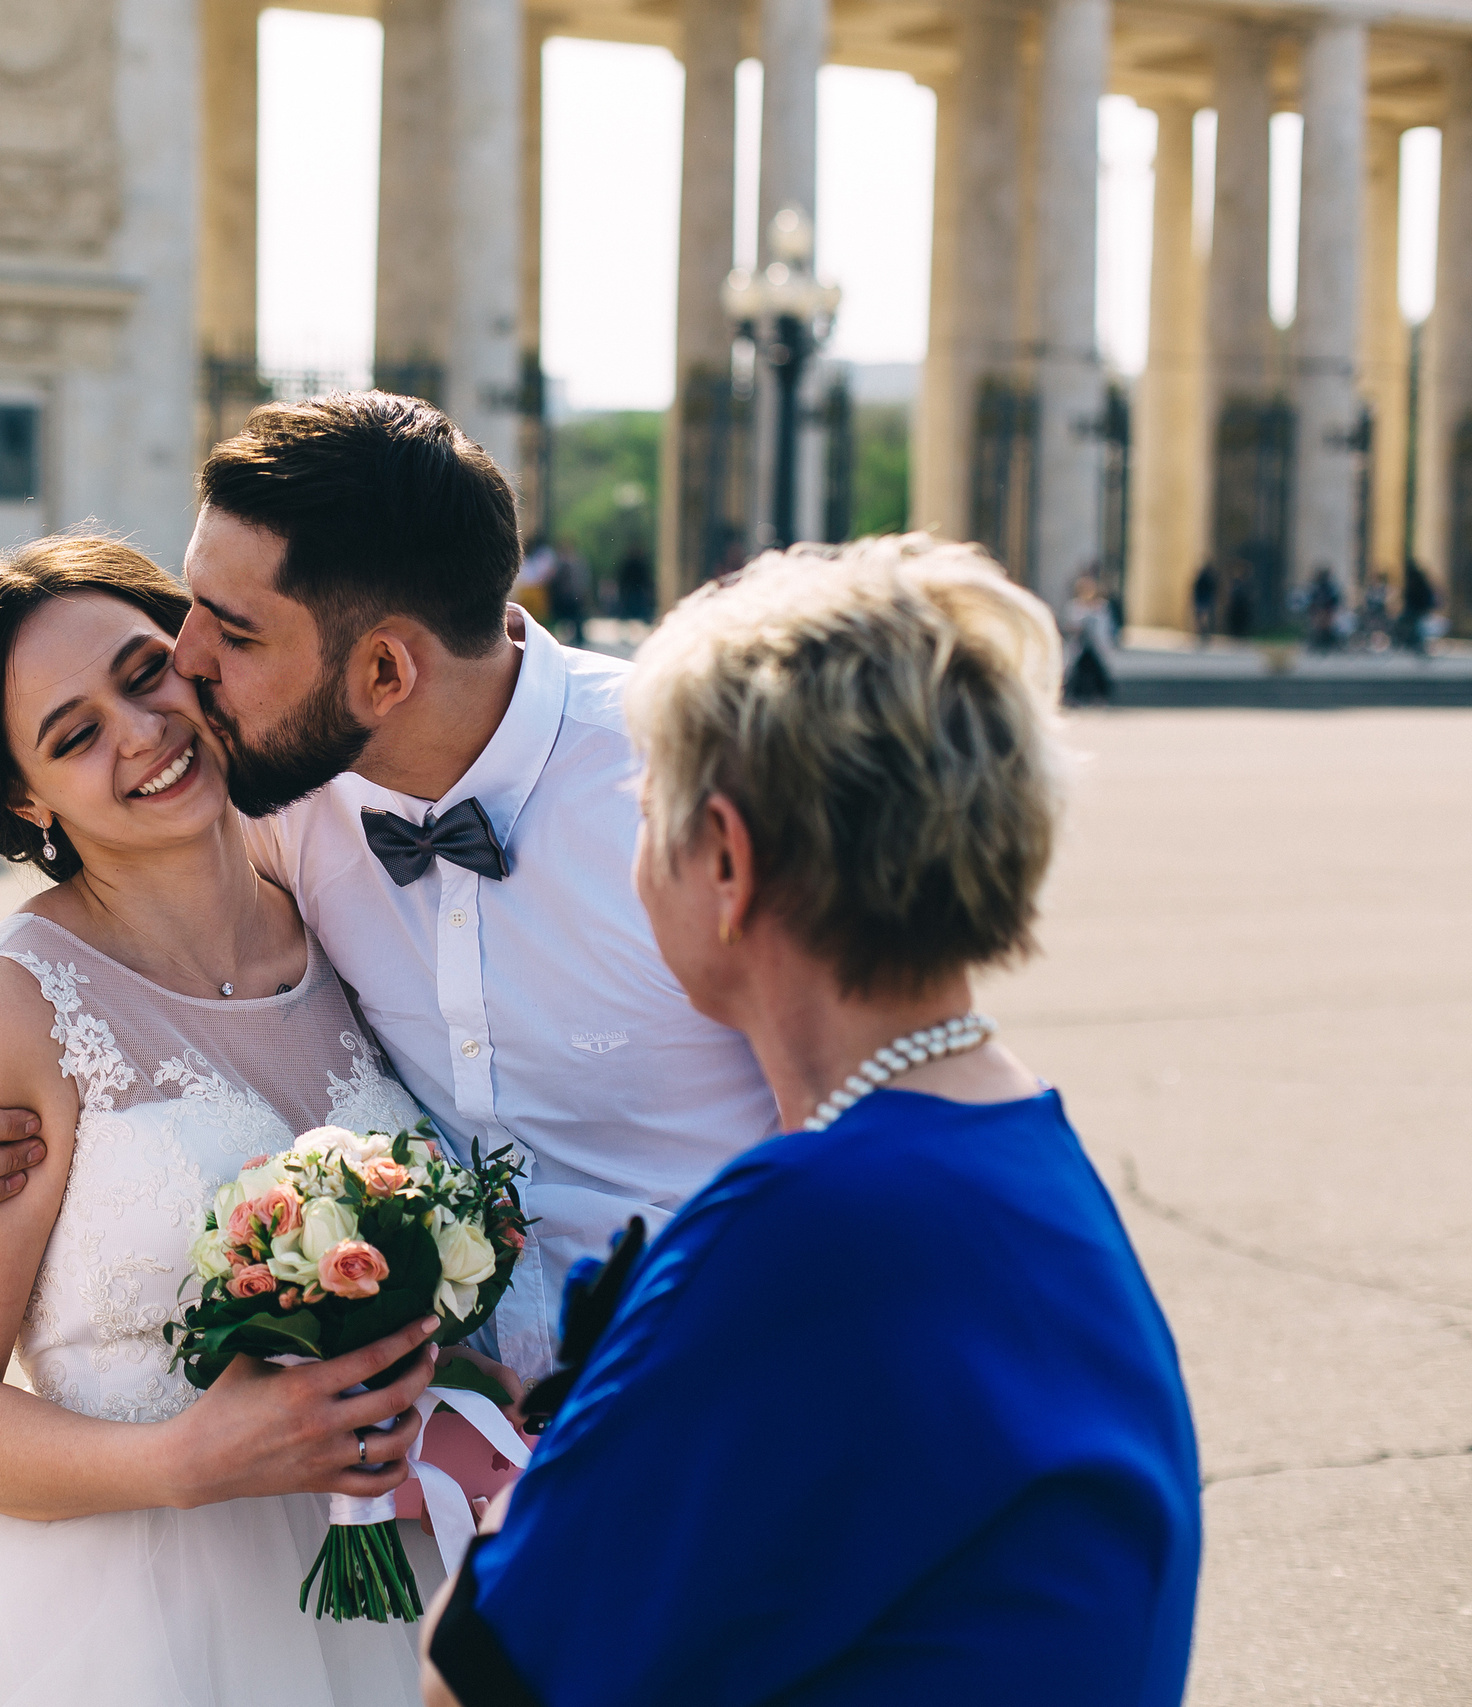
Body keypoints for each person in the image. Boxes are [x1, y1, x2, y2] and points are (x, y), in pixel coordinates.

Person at [421, 536, 1202, 1707]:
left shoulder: (812, 1220)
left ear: (725, 860)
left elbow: (477, 1679)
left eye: (646, 811)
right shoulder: (1016, 1142)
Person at [0, 392, 777, 1389]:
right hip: (454, 1478)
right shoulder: (280, 780)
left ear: (382, 672)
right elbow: (115, 958)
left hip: (713, 1411)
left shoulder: (700, 790)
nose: (185, 662)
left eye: (230, 629)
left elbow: (883, 1110)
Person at [0, 533, 446, 1707]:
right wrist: (182, 1461)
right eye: (73, 736)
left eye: (144, 672)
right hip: (127, 1616)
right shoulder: (4, 1018)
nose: (139, 733)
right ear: (26, 796)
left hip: (390, 1573)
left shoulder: (338, 898)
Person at [1062, 569, 1117, 705]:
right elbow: (1069, 625)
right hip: (1081, 644)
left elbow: (1106, 627)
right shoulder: (1075, 606)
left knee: (1097, 670)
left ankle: (1099, 696)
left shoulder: (1101, 606)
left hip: (1095, 644)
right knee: (1077, 671)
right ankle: (1073, 696)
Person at [1402, 558, 1440, 654]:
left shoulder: (1415, 580)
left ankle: (1416, 645)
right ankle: (1415, 645)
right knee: (1416, 626)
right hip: (1419, 607)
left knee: (1415, 626)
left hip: (1417, 608)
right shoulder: (1419, 579)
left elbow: (1413, 595)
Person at [1190, 558, 1219, 643]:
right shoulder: (1210, 577)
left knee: (1201, 618)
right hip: (1206, 600)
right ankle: (1204, 633)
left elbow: (1195, 589)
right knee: (1204, 618)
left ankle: (1203, 632)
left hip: (1203, 600)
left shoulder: (1202, 577)